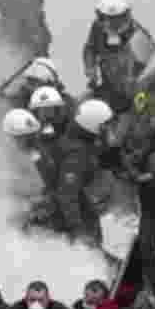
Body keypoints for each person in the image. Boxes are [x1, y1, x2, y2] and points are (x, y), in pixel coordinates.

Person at [83, 0, 155, 113]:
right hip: (107, 89)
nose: (111, 24)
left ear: (126, 16)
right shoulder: (97, 28)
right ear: (100, 16)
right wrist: (90, 68)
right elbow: (90, 49)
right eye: (107, 19)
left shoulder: (137, 33)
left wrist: (140, 82)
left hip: (135, 94)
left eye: (116, 19)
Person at [53, 99, 116, 247]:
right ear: (92, 124)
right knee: (87, 235)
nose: (107, 128)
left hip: (79, 199)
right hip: (67, 208)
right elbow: (67, 193)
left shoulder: (81, 140)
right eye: (104, 125)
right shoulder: (76, 154)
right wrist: (77, 228)